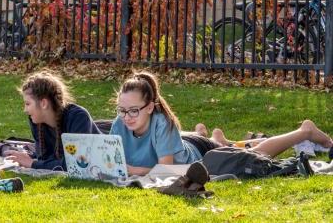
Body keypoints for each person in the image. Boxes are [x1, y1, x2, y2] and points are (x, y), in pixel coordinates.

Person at [110, 71, 333, 176]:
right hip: (185, 141)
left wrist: (130, 170)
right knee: (225, 146)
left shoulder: (161, 124)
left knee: (253, 154)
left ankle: (305, 131)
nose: (127, 116)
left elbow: (165, 170)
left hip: (200, 154)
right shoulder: (120, 124)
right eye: (122, 110)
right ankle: (217, 139)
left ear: (149, 107)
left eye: (133, 110)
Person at [6, 71, 101, 170]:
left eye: (28, 104)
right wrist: (29, 160)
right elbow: (43, 158)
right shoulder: (36, 121)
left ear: (43, 103)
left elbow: (77, 163)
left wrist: (33, 164)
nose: (25, 110)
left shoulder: (78, 117)